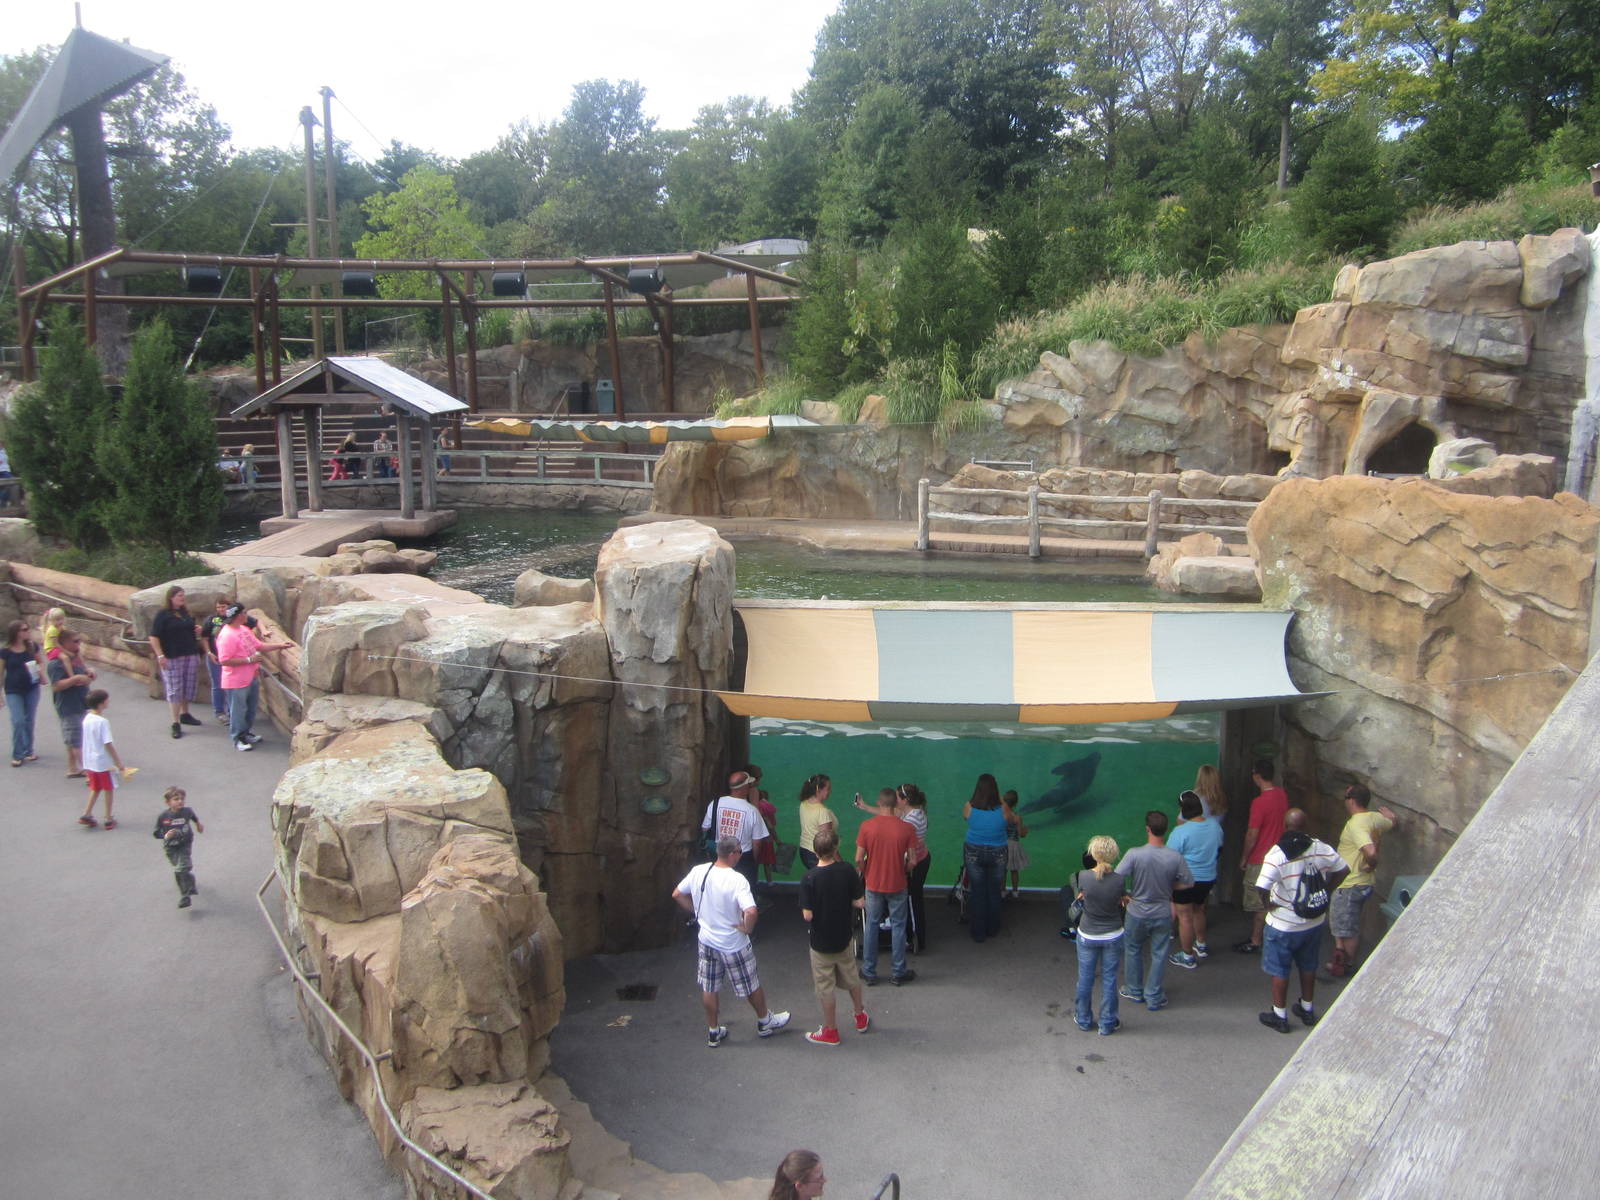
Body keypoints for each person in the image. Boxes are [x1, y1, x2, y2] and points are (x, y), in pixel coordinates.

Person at [670, 836, 791, 1047]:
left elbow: (677, 894)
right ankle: (764, 1021)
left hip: (707, 940)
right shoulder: (737, 880)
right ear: (733, 854)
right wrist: (747, 928)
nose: (741, 855)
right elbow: (751, 911)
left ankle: (713, 1030)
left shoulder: (700, 871)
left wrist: (697, 912)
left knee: (709, 985)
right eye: (739, 852)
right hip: (733, 943)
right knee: (750, 983)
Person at [1256, 809, 1346, 1032]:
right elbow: (1343, 868)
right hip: (1313, 921)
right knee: (1308, 966)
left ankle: (1280, 1015)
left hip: (1283, 923)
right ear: (1306, 826)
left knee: (1280, 970)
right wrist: (1326, 890)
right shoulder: (1319, 847)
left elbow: (1262, 886)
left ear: (1285, 826)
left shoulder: (1277, 854)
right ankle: (1307, 1008)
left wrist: (1268, 905)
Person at [1116, 810, 1193, 1012]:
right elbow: (1188, 882)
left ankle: (1134, 990)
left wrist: (1124, 894)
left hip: (1137, 911)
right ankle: (1154, 996)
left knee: (1132, 949)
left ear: (1147, 829)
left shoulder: (1134, 854)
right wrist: (1169, 887)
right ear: (1166, 830)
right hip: (1162, 912)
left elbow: (1117, 878)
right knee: (1159, 953)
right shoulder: (1174, 857)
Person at [798, 828, 869, 1045]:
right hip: (844, 936)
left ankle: (830, 1030)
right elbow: (859, 902)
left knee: (825, 987)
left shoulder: (809, 878)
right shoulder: (846, 870)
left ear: (815, 851)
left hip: (820, 941)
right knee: (851, 977)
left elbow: (807, 915)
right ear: (836, 847)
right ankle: (860, 1016)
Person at [1328, 783, 1398, 977]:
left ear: (1351, 801)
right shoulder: (1375, 818)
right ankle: (1341, 957)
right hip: (1364, 883)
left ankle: (1346, 965)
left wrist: (1371, 863)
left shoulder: (1356, 824)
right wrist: (1392, 818)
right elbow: (1392, 822)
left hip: (1351, 882)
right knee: (1344, 921)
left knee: (1347, 926)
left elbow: (1370, 851)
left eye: (1345, 798)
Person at [855, 787, 918, 987]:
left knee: (872, 924)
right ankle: (898, 971)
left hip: (873, 883)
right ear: (895, 805)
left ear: (879, 803)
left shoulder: (867, 826)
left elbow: (858, 858)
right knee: (898, 926)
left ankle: (869, 971)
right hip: (898, 883)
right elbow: (913, 861)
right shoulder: (907, 828)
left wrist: (865, 870)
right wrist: (904, 869)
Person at [214, 603, 293, 751]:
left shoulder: (243, 629)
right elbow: (224, 660)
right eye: (244, 613)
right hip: (236, 680)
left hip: (251, 676)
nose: (247, 616)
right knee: (238, 710)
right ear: (238, 616)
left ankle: (246, 732)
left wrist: (280, 645)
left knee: (250, 708)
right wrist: (249, 660)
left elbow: (258, 646)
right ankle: (238, 737)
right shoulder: (227, 636)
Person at [1233, 758, 1290, 954]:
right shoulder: (1282, 795)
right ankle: (1267, 935)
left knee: (1260, 902)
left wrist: (1244, 857)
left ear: (1257, 776)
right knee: (1275, 896)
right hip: (1280, 855)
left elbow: (1252, 834)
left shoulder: (1259, 803)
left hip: (1260, 857)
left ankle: (1257, 939)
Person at [1073, 835, 1128, 1036]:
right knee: (1109, 979)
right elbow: (1120, 898)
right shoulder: (1120, 879)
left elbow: (1082, 896)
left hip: (1088, 934)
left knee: (1085, 978)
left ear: (1093, 854)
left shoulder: (1083, 876)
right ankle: (1107, 1022)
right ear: (1114, 855)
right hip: (1113, 934)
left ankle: (1083, 1018)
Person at [1167, 790, 1224, 967]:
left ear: (1183, 809)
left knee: (1184, 917)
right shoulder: (1215, 826)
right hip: (1208, 878)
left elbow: (1170, 857)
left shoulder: (1180, 831)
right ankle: (1201, 944)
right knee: (1199, 909)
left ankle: (1187, 956)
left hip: (1185, 881)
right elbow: (1220, 849)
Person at [962, 773, 1014, 942]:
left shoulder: (969, 807)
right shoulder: (1004, 809)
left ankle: (978, 932)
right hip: (998, 851)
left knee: (977, 891)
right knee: (994, 890)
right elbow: (1010, 819)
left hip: (973, 851)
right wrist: (999, 797)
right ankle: (992, 928)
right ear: (995, 790)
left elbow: (966, 818)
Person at [149, 585, 205, 740]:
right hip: (172, 656)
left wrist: (197, 631)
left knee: (188, 685)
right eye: (180, 595)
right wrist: (160, 655)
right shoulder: (163, 615)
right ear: (171, 597)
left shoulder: (185, 613)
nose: (182, 598)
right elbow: (154, 637)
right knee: (175, 688)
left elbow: (189, 631)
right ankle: (175, 722)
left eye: (183, 595)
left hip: (189, 653)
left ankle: (185, 713)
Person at [700, 770, 771, 887]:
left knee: (719, 887)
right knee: (743, 890)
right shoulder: (752, 810)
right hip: (743, 859)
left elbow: (705, 828)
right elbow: (757, 842)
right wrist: (753, 861)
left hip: (719, 855)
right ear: (744, 787)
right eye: (749, 785)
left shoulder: (715, 803)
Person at [77, 689, 131, 829]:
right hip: (102, 762)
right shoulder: (103, 722)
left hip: (90, 761)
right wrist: (118, 762)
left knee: (95, 787)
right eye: (107, 700)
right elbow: (107, 743)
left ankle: (87, 813)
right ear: (101, 704)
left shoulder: (87, 718)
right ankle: (108, 817)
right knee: (108, 788)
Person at [47, 628, 95, 777]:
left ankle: (73, 768)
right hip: (68, 705)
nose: (78, 644)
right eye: (75, 641)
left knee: (73, 739)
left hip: (81, 703)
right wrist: (75, 679)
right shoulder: (56, 664)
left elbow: (83, 675)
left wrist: (89, 674)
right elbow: (56, 685)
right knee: (76, 740)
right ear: (65, 643)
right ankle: (89, 771)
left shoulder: (75, 658)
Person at [2, 618, 45, 768]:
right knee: (18, 720)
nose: (28, 632)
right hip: (13, 690)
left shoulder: (31, 647)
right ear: (16, 633)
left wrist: (41, 674)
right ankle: (18, 754)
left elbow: (39, 662)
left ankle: (28, 749)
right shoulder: (5, 651)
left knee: (29, 720)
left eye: (28, 629)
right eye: (24, 630)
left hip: (31, 687)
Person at [153, 785, 204, 908]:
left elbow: (193, 817)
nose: (180, 801)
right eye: (176, 799)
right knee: (181, 868)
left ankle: (185, 896)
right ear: (168, 802)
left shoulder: (187, 811)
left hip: (185, 843)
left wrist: (198, 825)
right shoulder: (163, 817)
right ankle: (190, 881)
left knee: (182, 868)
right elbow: (156, 833)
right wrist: (165, 835)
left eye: (182, 799)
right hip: (171, 847)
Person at [895, 782, 931, 953]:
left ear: (904, 800)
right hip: (923, 858)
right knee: (914, 898)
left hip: (914, 865)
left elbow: (903, 842)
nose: (895, 801)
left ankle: (916, 939)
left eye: (897, 797)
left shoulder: (910, 820)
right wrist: (865, 807)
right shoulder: (917, 811)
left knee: (911, 900)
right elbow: (891, 813)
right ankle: (914, 936)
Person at [200, 596, 235, 723]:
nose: (220, 609)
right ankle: (220, 711)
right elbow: (204, 637)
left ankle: (232, 711)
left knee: (232, 685)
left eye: (223, 606)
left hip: (231, 658)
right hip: (215, 657)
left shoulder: (234, 619)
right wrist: (209, 653)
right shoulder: (211, 620)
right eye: (218, 607)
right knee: (217, 685)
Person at [746, 762, 780, 885]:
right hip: (754, 834)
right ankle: (755, 893)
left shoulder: (747, 790)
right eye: (759, 778)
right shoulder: (753, 790)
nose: (759, 782)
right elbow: (755, 812)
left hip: (745, 832)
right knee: (753, 862)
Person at [796, 773, 837, 872]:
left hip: (804, 851)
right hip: (817, 856)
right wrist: (839, 862)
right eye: (828, 789)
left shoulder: (803, 803)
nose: (830, 791)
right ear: (818, 790)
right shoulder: (823, 812)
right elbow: (826, 843)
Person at [1002, 788, 1030, 898]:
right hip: (1013, 845)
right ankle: (1015, 891)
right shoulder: (1017, 817)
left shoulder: (1001, 816)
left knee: (1003, 870)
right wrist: (1025, 831)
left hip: (1002, 844)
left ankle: (1002, 891)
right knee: (1014, 870)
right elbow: (1020, 834)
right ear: (1016, 803)